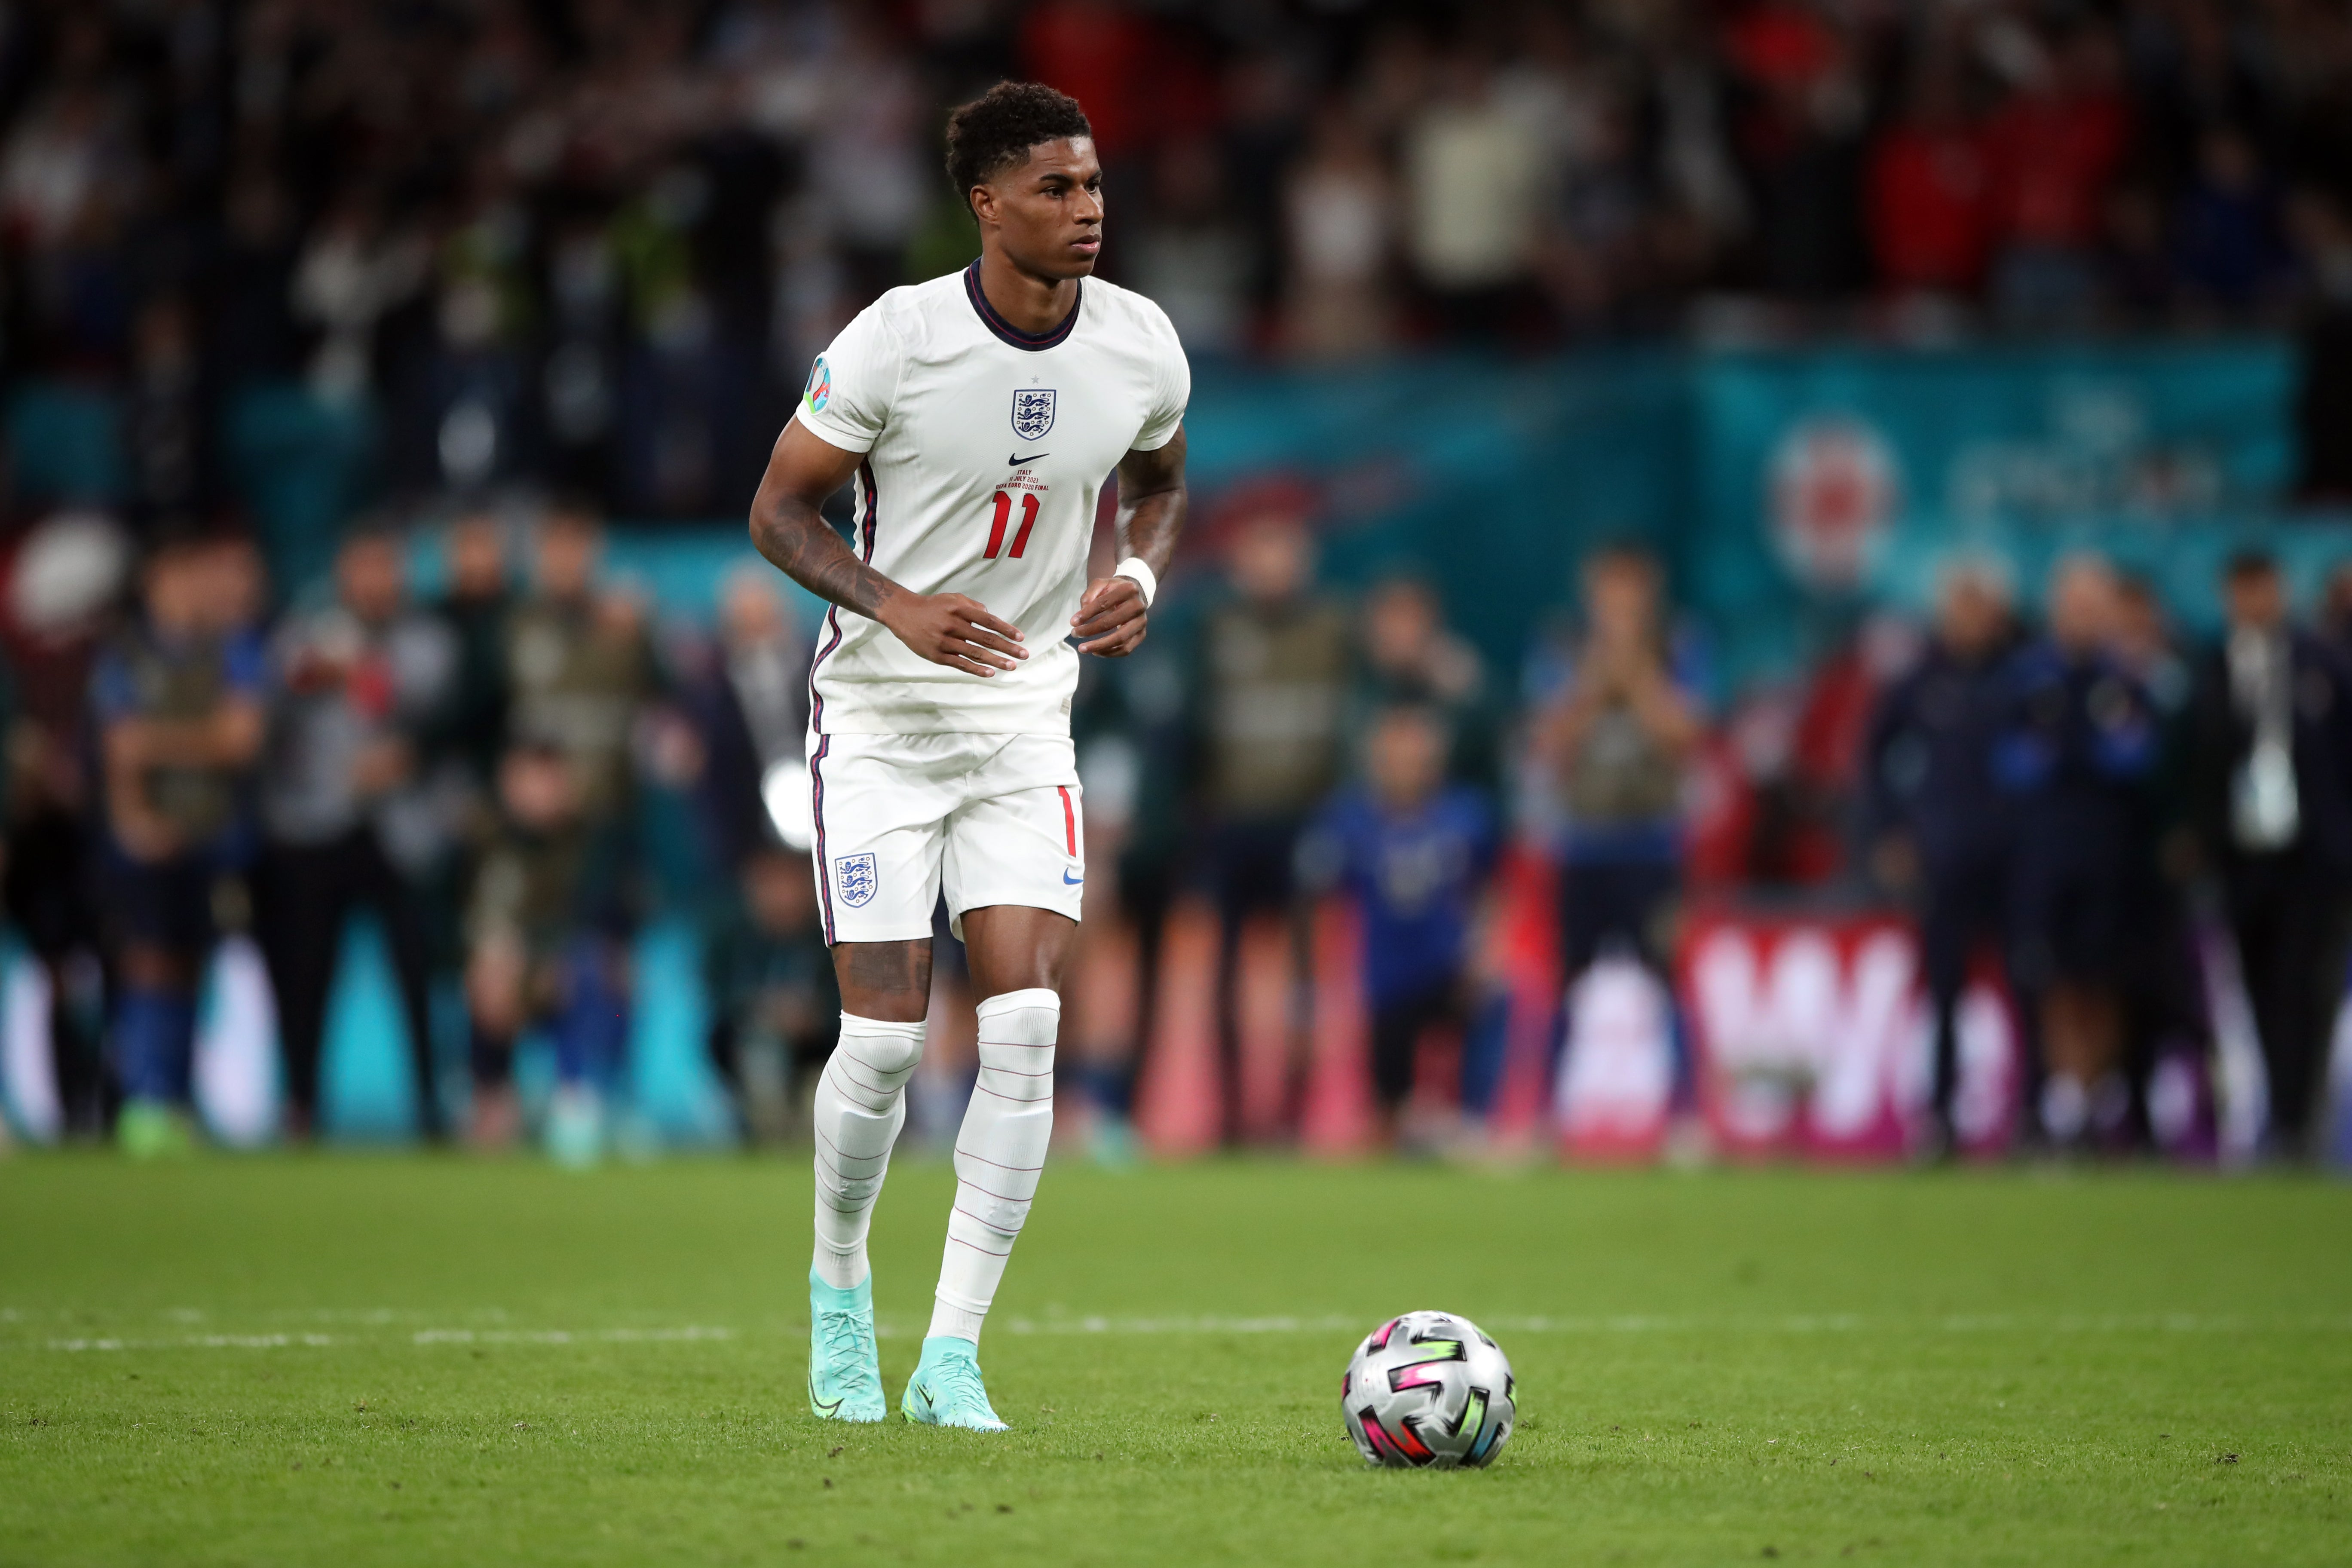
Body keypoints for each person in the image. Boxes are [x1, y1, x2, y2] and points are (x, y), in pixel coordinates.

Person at [746, 82, 1188, 1430]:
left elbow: (1165, 482)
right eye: (1056, 187)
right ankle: (837, 1294)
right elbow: (777, 507)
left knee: (1029, 1021)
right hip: (879, 721)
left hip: (1021, 723)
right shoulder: (899, 337)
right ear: (986, 204)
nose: (1088, 206)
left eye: (1095, 181)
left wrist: (1142, 572)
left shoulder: (1142, 344)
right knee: (882, 1046)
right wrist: (894, 601)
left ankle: (950, 1355)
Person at [254, 526, 459, 1142]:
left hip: (399, 829)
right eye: (363, 567)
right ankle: (301, 1106)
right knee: (308, 974)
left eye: (385, 567)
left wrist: (355, 670)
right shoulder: (305, 632)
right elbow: (268, 706)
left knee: (416, 975)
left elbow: (425, 707)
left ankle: (429, 1107)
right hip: (315, 827)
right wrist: (311, 671)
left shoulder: (426, 639)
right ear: (343, 571)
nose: (374, 581)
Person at [88, 531, 267, 1155]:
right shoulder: (127, 656)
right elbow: (117, 753)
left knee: (194, 967)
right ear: (154, 584)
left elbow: (239, 740)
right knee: (148, 962)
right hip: (149, 840)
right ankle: (144, 1097)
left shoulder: (231, 648)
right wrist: (134, 819)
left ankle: (180, 1099)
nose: (191, 589)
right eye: (178, 576)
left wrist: (155, 741)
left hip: (214, 835)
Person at [1190, 509, 1354, 1146]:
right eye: (1260, 551)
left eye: (1284, 550)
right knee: (1223, 972)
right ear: (1239, 563)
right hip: (1231, 823)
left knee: (1304, 973)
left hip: (1306, 822)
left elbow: (1357, 718)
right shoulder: (1214, 630)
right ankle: (1229, 1113)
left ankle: (1295, 1107)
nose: (1272, 566)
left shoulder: (1335, 628)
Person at [2189, 552, 2352, 1158]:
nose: (2254, 601)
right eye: (2242, 589)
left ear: (2280, 590)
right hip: (2242, 856)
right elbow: (2196, 761)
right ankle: (2279, 1118)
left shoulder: (2323, 663)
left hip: (2312, 856)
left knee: (2307, 986)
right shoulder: (2211, 665)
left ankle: (2297, 1120)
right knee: (2256, 985)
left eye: (2263, 588)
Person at [1995, 555, 2159, 1148]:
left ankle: (2098, 1097)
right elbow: (2010, 765)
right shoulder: (2029, 678)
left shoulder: (2127, 680)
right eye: (2074, 604)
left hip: (2112, 855)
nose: (2083, 616)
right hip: (2046, 853)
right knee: (2054, 979)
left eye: (2094, 605)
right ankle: (2064, 1100)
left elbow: (2140, 760)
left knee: (2104, 979)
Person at [1863, 561, 2019, 1155]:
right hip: (1944, 857)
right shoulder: (1922, 679)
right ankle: (1940, 1117)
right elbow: (1876, 754)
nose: (1970, 617)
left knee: (2028, 984)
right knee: (1944, 991)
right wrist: (1892, 832)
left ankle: (2032, 1113)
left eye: (1979, 604)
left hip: (2013, 859)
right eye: (1961, 603)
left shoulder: (2019, 677)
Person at [1298, 704, 1497, 1149]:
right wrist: (1320, 982)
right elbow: (1322, 899)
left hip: (1448, 969)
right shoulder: (1351, 821)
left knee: (1493, 1002)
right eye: (1395, 759)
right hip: (1386, 983)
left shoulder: (1464, 815)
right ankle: (1399, 1130)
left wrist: (1482, 949)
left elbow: (1489, 890)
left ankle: (1474, 1120)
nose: (1406, 770)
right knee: (1388, 1107)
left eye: (1417, 759)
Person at [1531, 545, 1702, 992]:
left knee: (1663, 981)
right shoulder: (1562, 646)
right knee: (1573, 985)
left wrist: (1639, 678)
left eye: (1632, 587)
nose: (1620, 601)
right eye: (1610, 586)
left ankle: (1673, 1066)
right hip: (1583, 845)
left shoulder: (1680, 645)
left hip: (1654, 847)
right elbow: (1548, 743)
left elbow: (1687, 737)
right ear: (1590, 591)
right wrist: (1596, 682)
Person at [461, 741, 632, 1161]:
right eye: (529, 780)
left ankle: (579, 1097)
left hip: (567, 973)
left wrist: (541, 959)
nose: (541, 793)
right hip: (497, 975)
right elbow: (452, 916)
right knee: (487, 978)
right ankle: (491, 1101)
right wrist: (485, 956)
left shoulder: (595, 841)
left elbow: (606, 916)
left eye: (550, 780)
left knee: (592, 968)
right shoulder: (482, 840)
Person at [704, 844, 839, 1145]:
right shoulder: (733, 939)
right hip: (757, 1049)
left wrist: (814, 1018)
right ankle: (767, 1134)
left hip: (822, 1054)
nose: (782, 895)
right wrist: (765, 1012)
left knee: (825, 1083)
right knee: (760, 1057)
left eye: (790, 882)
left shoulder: (833, 937)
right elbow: (720, 1001)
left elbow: (851, 1007)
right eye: (771, 883)